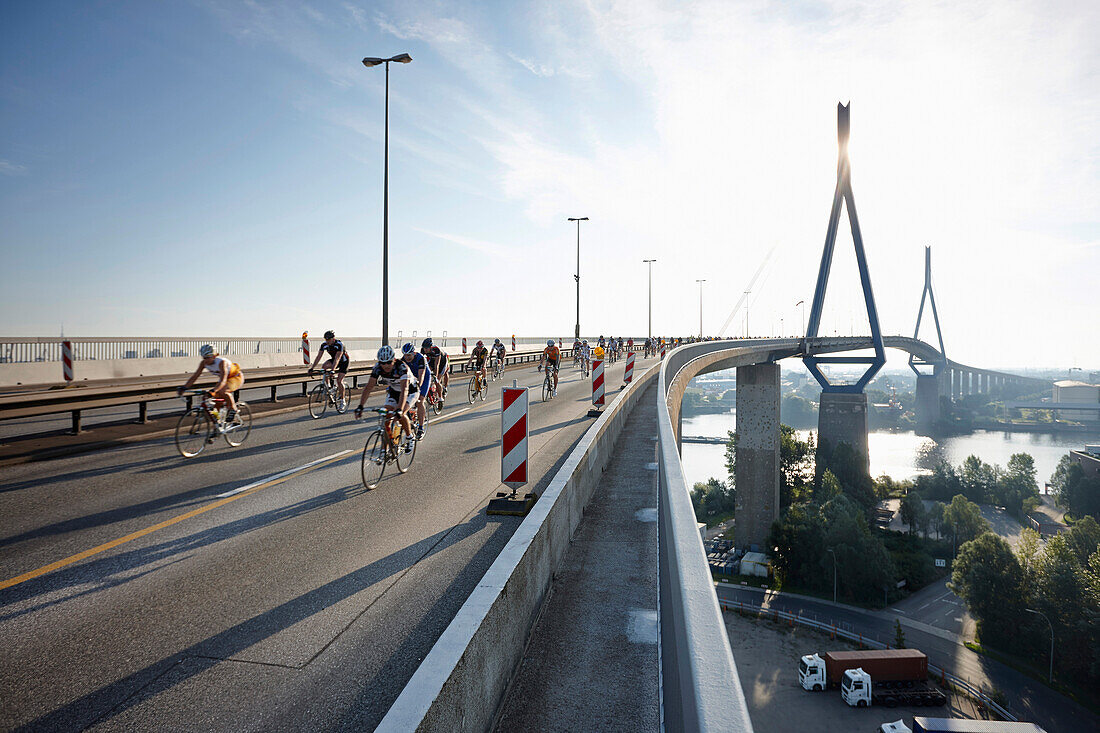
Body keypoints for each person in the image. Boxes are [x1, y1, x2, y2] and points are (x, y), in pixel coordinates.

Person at [354, 345, 416, 453]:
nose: (386, 365)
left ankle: (410, 436)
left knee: (401, 414)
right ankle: (385, 449)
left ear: (394, 359)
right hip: (394, 391)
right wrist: (360, 406)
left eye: (389, 362)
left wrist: (400, 409)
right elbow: (368, 387)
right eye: (383, 363)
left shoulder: (401, 368)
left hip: (410, 391)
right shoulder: (378, 368)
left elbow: (405, 389)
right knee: (386, 417)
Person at [178, 344, 244, 424]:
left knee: (223, 391)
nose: (206, 360)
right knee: (213, 402)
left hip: (236, 377)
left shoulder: (221, 362)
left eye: (208, 357)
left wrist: (213, 390)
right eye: (204, 358)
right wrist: (184, 387)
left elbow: (223, 380)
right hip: (225, 380)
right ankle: (218, 425)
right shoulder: (203, 363)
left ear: (214, 356)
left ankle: (233, 410)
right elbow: (195, 377)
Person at [308, 330, 349, 410]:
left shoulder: (339, 344)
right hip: (334, 360)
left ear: (333, 339)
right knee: (324, 367)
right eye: (326, 340)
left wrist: (333, 370)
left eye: (328, 340)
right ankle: (329, 387)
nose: (327, 341)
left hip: (343, 362)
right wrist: (312, 368)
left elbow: (337, 358)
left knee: (339, 380)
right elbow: (318, 357)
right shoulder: (324, 345)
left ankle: (342, 400)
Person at [401, 342, 431, 440]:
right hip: (411, 378)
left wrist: (418, 386)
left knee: (420, 400)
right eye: (405, 355)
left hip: (424, 377)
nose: (407, 357)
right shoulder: (403, 361)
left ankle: (421, 428)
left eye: (409, 355)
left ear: (414, 353)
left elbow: (421, 376)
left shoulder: (420, 358)